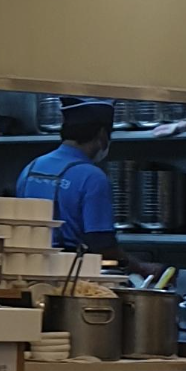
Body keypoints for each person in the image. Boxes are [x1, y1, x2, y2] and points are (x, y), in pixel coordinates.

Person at [16, 100, 118, 255]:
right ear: (102, 135)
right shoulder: (93, 177)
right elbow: (102, 245)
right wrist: (140, 266)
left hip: (28, 263)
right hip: (73, 266)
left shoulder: (30, 169)